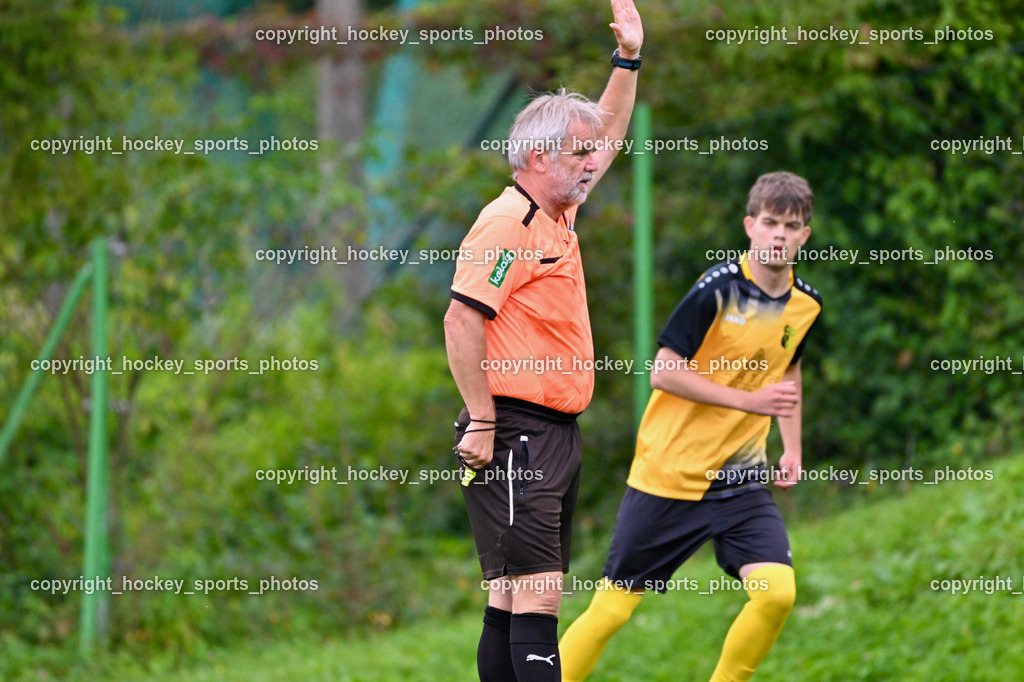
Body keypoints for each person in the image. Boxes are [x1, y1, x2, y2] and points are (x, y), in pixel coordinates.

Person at [443, 3, 643, 680]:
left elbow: (610, 133)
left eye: (591, 151)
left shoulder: (558, 210)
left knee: (509, 592)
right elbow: (462, 318)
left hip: (553, 430)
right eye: (578, 153)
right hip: (515, 430)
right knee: (538, 592)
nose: (594, 161)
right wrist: (484, 418)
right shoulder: (509, 222)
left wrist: (628, 60)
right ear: (537, 156)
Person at [559, 171, 823, 681]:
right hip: (670, 477)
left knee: (777, 594)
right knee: (611, 611)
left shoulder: (806, 304)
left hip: (741, 482)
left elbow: (788, 369)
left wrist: (792, 449)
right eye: (770, 223)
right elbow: (663, 370)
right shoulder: (717, 291)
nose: (779, 236)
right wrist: (750, 399)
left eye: (791, 227)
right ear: (750, 226)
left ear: (804, 235)